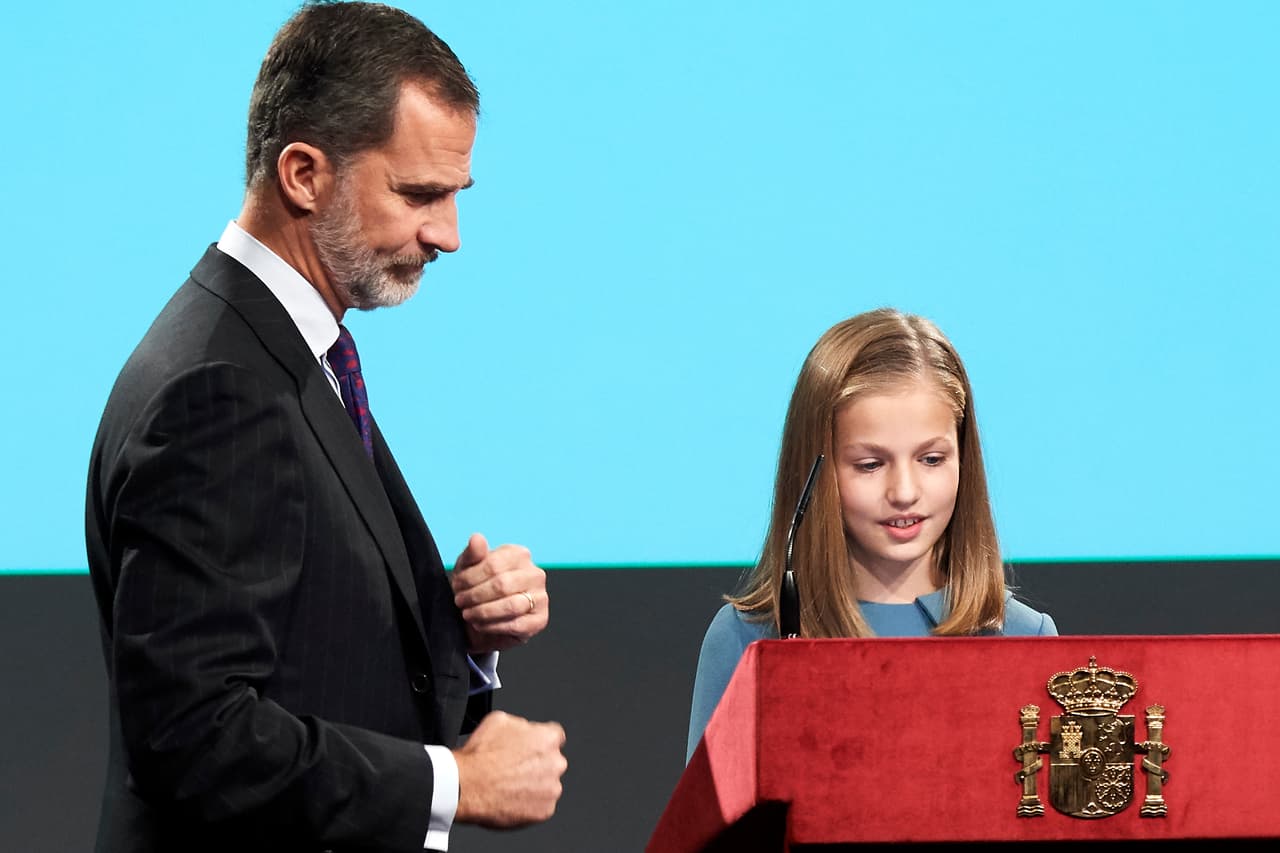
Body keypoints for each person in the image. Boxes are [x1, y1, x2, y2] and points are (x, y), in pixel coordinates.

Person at [84, 3, 566, 851]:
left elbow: (315, 658)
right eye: (420, 194)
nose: (447, 235)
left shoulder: (278, 351)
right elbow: (193, 737)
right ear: (303, 174)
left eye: (457, 194)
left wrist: (462, 627)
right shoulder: (219, 387)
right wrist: (455, 782)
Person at [686, 308, 1057, 760]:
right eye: (870, 465)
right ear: (816, 472)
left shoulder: (1023, 636)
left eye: (932, 459)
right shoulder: (748, 640)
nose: (904, 492)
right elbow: (710, 827)